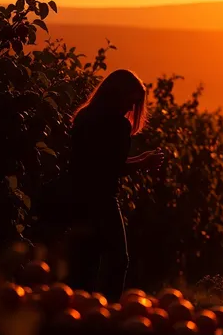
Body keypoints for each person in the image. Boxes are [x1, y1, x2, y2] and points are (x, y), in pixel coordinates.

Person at [67, 69, 165, 302]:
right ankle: (107, 312)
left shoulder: (84, 116)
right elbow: (112, 169)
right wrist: (144, 164)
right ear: (117, 95)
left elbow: (97, 162)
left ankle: (77, 314)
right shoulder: (118, 125)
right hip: (103, 200)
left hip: (76, 197)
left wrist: (140, 159)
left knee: (85, 264)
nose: (131, 109)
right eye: (130, 101)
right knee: (118, 260)